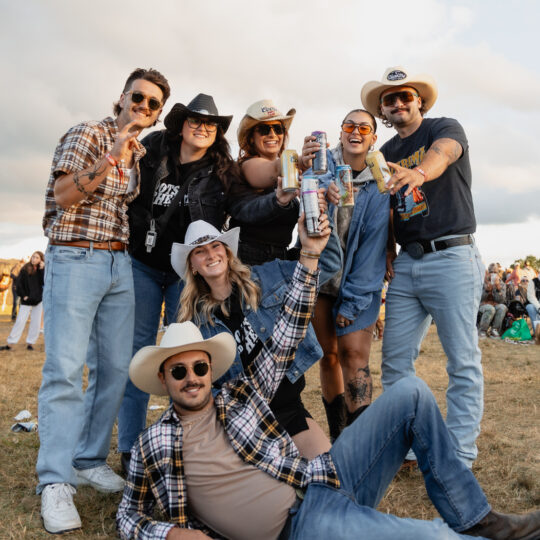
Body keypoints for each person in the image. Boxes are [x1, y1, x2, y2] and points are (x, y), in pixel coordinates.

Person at [116, 216, 540, 540]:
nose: (191, 377)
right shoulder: (155, 442)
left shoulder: (238, 398)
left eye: (200, 366)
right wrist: (170, 532)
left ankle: (476, 517)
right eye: (178, 369)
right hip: (303, 523)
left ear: (213, 368)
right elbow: (128, 514)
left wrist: (311, 254)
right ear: (163, 377)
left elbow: (284, 339)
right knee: (431, 536)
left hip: (312, 473)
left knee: (410, 391)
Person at [38, 67, 170, 534]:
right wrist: (111, 156)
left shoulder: (140, 154)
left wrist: (126, 158)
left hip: (118, 265)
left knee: (116, 369)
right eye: (139, 97)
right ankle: (55, 480)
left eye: (154, 104)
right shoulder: (88, 133)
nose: (144, 107)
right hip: (75, 258)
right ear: (121, 97)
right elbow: (64, 193)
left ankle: (89, 458)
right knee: (66, 370)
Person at [361, 66, 484, 467]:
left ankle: (461, 454)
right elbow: (388, 206)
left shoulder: (443, 128)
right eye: (389, 99)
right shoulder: (382, 155)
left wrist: (419, 172)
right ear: (383, 110)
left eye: (405, 97)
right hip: (408, 264)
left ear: (420, 102)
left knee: (461, 360)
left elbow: (444, 154)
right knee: (395, 362)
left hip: (451, 255)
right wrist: (388, 250)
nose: (398, 103)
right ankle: (408, 447)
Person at [117, 93, 239, 473]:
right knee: (140, 352)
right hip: (143, 263)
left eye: (211, 124)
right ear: (181, 123)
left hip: (188, 273)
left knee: (186, 355)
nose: (202, 128)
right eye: (195, 120)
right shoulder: (154, 148)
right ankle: (131, 448)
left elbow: (248, 199)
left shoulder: (223, 170)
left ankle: (185, 445)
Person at [172, 219, 330, 459]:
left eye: (216, 246)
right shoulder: (194, 324)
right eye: (199, 251)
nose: (210, 254)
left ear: (226, 253)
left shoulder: (267, 276)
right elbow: (198, 389)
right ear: (192, 265)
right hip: (242, 423)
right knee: (271, 491)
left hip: (289, 409)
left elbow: (322, 268)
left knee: (329, 475)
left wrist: (318, 227)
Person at [299, 108, 389, 440]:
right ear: (340, 132)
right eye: (349, 125)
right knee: (329, 355)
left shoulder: (381, 183)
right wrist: (326, 197)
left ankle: (360, 441)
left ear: (373, 138)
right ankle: (338, 437)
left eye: (364, 128)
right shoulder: (319, 169)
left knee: (354, 355)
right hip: (322, 279)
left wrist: (353, 303)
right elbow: (305, 214)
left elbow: (373, 246)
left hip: (360, 281)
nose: (356, 132)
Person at [228, 99, 300, 265]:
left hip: (279, 257)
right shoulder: (247, 165)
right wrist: (300, 162)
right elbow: (273, 169)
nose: (272, 134)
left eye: (278, 129)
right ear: (251, 138)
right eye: (264, 129)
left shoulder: (288, 173)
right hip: (247, 257)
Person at [0, 251, 45, 351]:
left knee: (36, 323)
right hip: (26, 300)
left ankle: (31, 343)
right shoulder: (25, 269)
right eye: (33, 257)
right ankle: (10, 344)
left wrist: (42, 270)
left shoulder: (42, 270)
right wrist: (23, 295)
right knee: (20, 321)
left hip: (38, 300)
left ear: (41, 260)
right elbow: (19, 284)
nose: (34, 259)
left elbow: (44, 283)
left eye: (37, 258)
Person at [478, 263, 507, 339]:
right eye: (491, 272)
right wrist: (486, 291)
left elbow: (502, 300)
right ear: (488, 273)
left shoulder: (502, 284)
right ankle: (482, 331)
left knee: (502, 307)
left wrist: (498, 289)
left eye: (495, 272)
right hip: (482, 305)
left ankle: (494, 330)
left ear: (498, 273)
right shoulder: (482, 282)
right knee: (490, 309)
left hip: (495, 304)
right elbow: (478, 298)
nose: (493, 274)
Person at [526, 274, 540, 343]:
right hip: (533, 305)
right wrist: (539, 307)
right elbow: (530, 297)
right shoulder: (533, 282)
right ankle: (537, 335)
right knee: (530, 307)